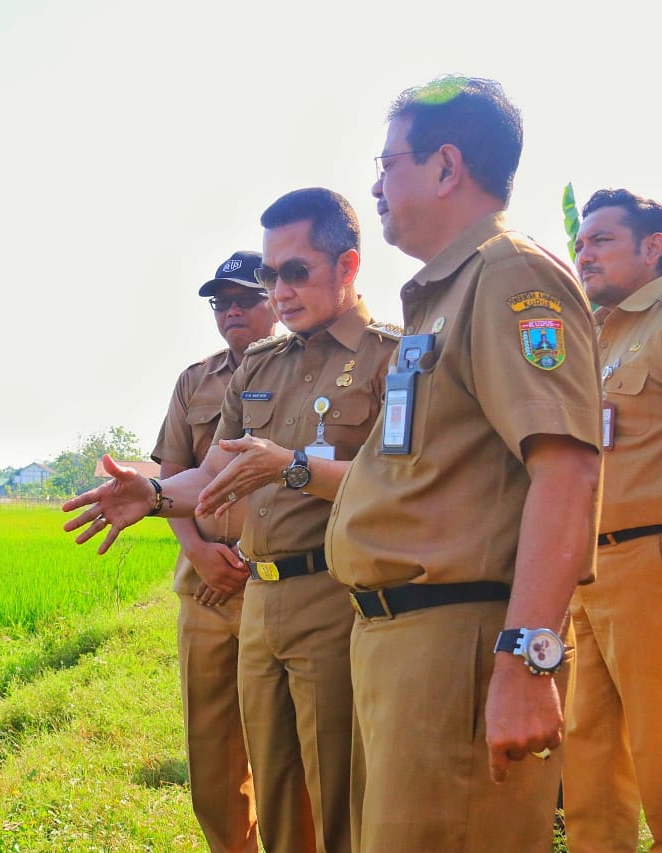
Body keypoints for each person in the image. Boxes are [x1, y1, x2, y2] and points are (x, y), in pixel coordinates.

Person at [68, 188, 398, 852]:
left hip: (336, 600)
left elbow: (407, 482)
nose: (278, 291)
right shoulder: (262, 367)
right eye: (271, 275)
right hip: (261, 605)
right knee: (273, 799)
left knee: (338, 799)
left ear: (348, 266)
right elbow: (212, 469)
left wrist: (292, 465)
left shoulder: (392, 355)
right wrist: (156, 492)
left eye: (295, 272)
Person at [325, 76, 601, 852]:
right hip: (403, 648)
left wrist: (525, 661)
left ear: (447, 167)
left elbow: (568, 472)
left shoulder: (511, 274)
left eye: (388, 163)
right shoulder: (446, 294)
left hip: (460, 649)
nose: (374, 185)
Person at [151, 249, 275, 853]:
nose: (231, 312)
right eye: (221, 303)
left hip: (277, 580)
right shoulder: (194, 381)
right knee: (212, 750)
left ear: (276, 297)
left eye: (245, 299)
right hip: (203, 583)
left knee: (286, 747)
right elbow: (172, 476)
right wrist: (197, 551)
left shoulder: (310, 372)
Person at [564, 187, 662, 851]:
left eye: (602, 240)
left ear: (653, 247)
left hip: (649, 566)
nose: (584, 252)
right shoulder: (588, 335)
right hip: (585, 573)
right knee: (589, 768)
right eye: (582, 240)